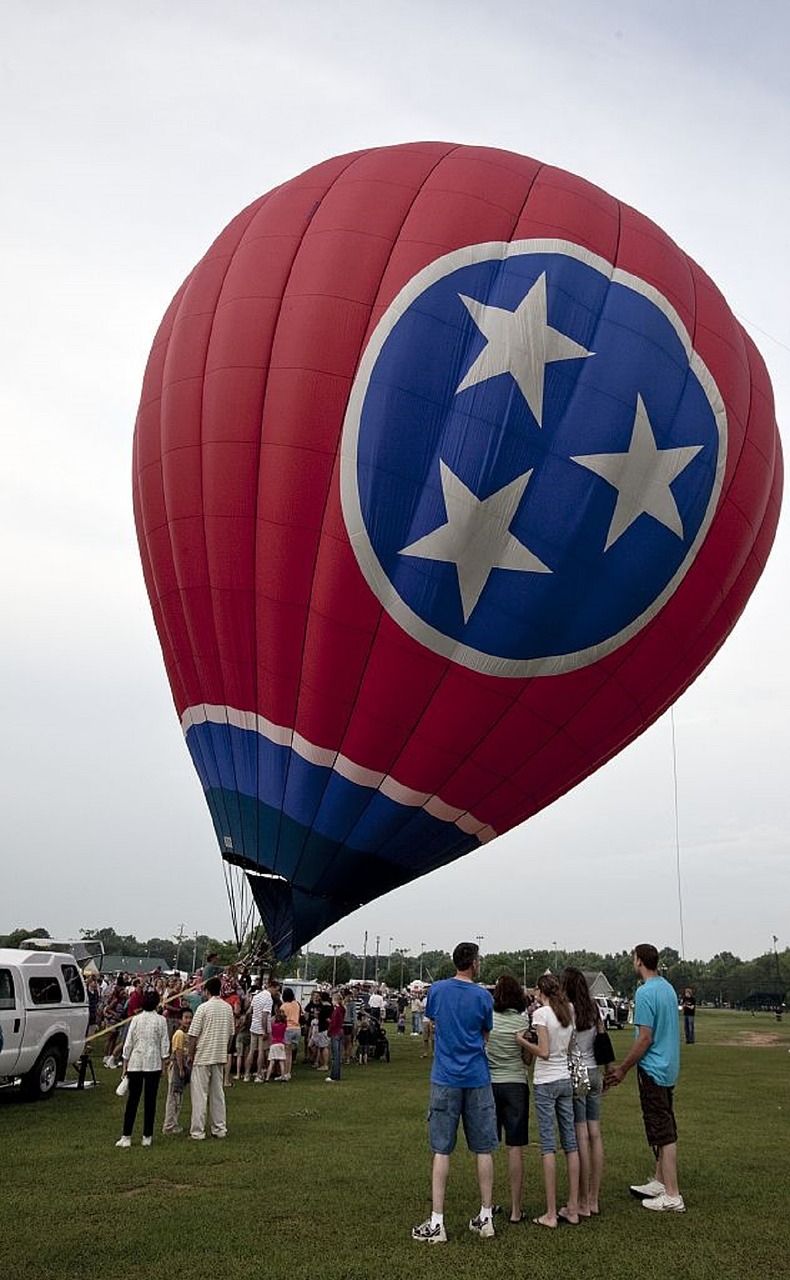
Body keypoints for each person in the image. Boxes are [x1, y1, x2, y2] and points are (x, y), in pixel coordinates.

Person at [411, 941, 497, 1245]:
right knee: (483, 1148)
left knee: (441, 1150)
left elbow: (433, 1022)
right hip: (476, 1076)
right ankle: (486, 1216)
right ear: (472, 962)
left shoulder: (437, 990)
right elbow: (485, 1033)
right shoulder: (483, 996)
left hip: (446, 1076)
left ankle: (437, 1222)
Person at [606, 944, 684, 1212]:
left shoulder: (645, 992)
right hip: (669, 1067)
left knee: (662, 1130)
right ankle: (660, 1181)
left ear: (639, 961)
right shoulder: (667, 988)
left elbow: (645, 1038)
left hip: (654, 1069)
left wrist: (623, 1068)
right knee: (665, 1121)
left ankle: (672, 1195)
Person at [517, 974, 580, 1227]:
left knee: (548, 1145)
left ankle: (551, 1212)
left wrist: (522, 1040)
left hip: (546, 1082)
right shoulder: (569, 1011)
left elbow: (542, 1052)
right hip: (564, 1079)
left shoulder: (541, 1014)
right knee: (571, 1144)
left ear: (541, 991)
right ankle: (573, 1207)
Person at [561, 967, 612, 1217]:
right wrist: (608, 1070)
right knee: (595, 1134)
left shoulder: (567, 1010)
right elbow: (603, 1041)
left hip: (576, 1072)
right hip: (594, 1071)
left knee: (580, 1135)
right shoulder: (594, 1008)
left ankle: (581, 1199)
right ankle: (594, 1198)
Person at [485, 974, 531, 1223]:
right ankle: (515, 1209)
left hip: (491, 1084)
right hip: (516, 1084)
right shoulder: (523, 1020)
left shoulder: (490, 1020)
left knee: (488, 1147)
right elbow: (526, 1058)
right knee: (515, 1147)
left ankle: (488, 1203)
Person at [115, 988, 170, 1148]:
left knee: (132, 1100)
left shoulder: (136, 1019)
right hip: (153, 1063)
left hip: (136, 1062)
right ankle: (147, 1136)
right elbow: (164, 1044)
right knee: (150, 1101)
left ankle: (126, 1136)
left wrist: (125, 1064)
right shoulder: (161, 1020)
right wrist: (164, 1065)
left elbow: (128, 1043)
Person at [188, 975, 235, 1140]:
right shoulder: (227, 1008)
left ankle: (197, 1131)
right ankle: (219, 1128)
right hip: (219, 1055)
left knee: (200, 1095)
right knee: (218, 1094)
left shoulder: (203, 1008)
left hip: (203, 1055)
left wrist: (190, 1053)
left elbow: (193, 1035)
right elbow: (231, 1035)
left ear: (206, 991)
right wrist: (225, 1051)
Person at [163, 1007, 193, 1135]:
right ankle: (169, 1125)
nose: (188, 1020)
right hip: (176, 1066)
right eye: (186, 1018)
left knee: (178, 1097)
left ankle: (174, 1123)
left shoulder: (187, 1033)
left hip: (183, 1066)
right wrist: (181, 1068)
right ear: (180, 1020)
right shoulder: (179, 1034)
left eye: (190, 1017)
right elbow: (178, 1052)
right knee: (173, 1097)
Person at [326, 991, 345, 1081]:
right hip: (340, 1031)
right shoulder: (342, 1009)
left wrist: (329, 1031)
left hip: (335, 1032)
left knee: (335, 1055)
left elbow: (333, 1023)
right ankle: (336, 1074)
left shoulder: (336, 1010)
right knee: (337, 1054)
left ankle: (334, 1075)